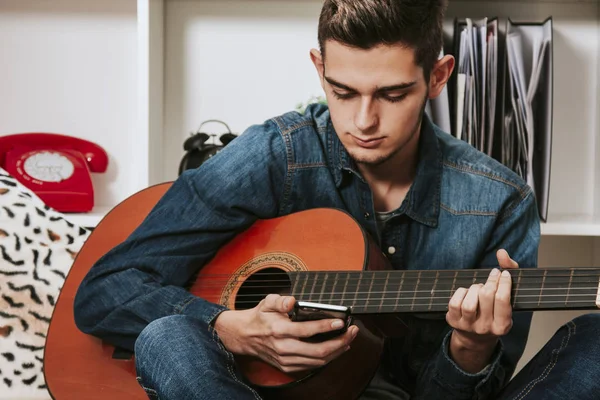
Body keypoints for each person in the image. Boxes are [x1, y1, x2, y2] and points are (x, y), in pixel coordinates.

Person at [73, 1, 600, 399]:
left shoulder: (500, 199)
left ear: (437, 77)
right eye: (343, 91)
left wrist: (470, 348)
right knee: (168, 336)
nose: (363, 121)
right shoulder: (274, 154)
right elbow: (105, 290)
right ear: (319, 67)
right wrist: (228, 328)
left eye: (392, 95)